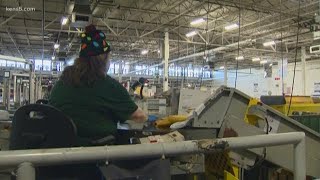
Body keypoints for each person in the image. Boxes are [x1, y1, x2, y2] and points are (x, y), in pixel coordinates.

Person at [49, 24, 147, 146]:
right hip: (96, 155)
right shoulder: (108, 85)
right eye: (109, 57)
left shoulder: (62, 82)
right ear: (104, 59)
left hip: (58, 154)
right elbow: (140, 117)